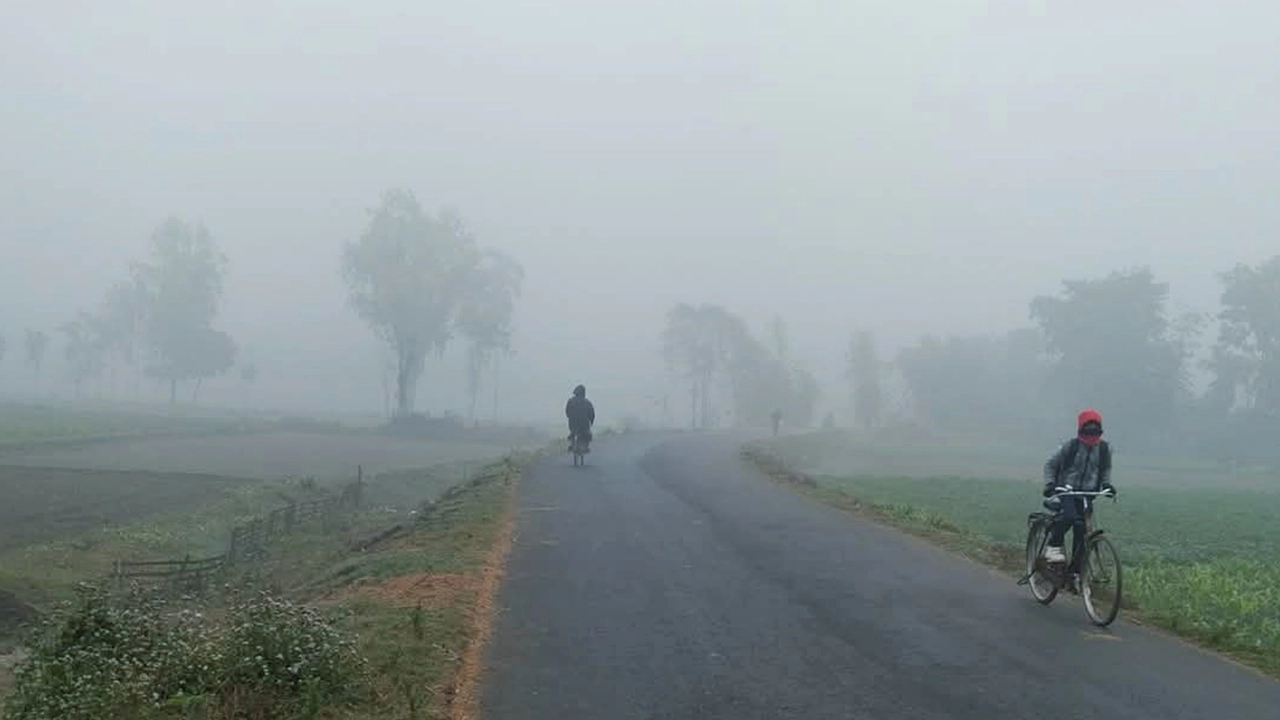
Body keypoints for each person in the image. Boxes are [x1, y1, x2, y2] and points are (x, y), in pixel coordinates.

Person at [1041, 408, 1116, 571]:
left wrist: (1106, 484)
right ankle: (1053, 548)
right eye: (1087, 433)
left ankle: (1074, 572)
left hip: (1087, 493)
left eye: (1095, 433)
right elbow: (1050, 465)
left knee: (1082, 531)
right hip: (1066, 490)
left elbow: (1105, 469)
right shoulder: (1071, 446)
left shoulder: (1104, 449)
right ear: (1081, 430)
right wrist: (1050, 484)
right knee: (1069, 516)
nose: (1091, 437)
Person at [565, 384, 595, 451]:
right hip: (584, 426)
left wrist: (571, 418)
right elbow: (592, 414)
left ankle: (571, 445)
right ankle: (586, 447)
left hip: (573, 425)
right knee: (588, 436)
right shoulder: (587, 403)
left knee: (572, 434)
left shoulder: (570, 401)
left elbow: (567, 412)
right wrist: (591, 422)